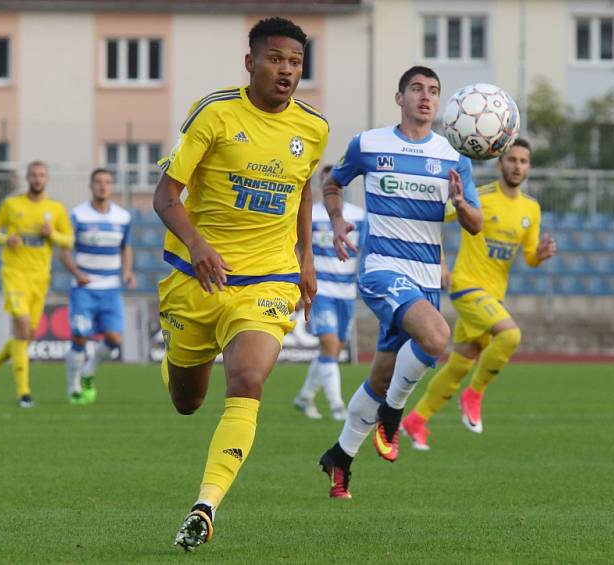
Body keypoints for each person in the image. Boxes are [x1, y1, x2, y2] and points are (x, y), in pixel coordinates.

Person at [153, 17, 328, 550]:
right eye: (276, 58)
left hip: (268, 281)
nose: (286, 70)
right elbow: (165, 197)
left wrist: (306, 258)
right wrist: (199, 245)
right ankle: (176, 357)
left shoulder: (313, 127)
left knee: (248, 378)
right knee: (187, 401)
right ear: (250, 62)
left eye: (295, 62)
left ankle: (205, 506)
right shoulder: (215, 113)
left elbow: (301, 194)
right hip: (197, 279)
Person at [317, 65, 483, 499]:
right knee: (437, 335)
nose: (425, 97)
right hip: (381, 269)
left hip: (426, 280)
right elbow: (332, 184)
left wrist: (461, 204)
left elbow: (476, 224)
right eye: (416, 89)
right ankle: (393, 415)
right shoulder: (370, 144)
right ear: (400, 98)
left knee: (380, 376)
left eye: (433, 91)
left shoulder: (454, 157)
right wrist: (336, 221)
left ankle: (340, 458)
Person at [400, 138, 556, 450]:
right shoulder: (479, 196)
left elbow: (528, 257)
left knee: (459, 365)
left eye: (523, 161)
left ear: (529, 167)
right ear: (500, 163)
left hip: (494, 296)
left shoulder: (531, 209)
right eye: (511, 160)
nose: (517, 166)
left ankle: (416, 420)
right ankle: (474, 394)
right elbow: (432, 220)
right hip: (467, 286)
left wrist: (539, 254)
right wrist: (440, 261)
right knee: (510, 336)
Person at [0, 161, 74, 408]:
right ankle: (24, 393)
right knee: (22, 326)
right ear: (27, 177)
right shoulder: (12, 205)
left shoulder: (55, 209)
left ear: (47, 178)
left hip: (40, 278)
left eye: (42, 175)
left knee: (27, 335)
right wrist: (4, 238)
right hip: (14, 274)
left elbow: (69, 240)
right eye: (33, 175)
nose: (37, 179)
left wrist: (51, 234)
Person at [293, 164, 366, 421]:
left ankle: (304, 397)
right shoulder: (309, 216)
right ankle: (337, 406)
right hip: (320, 290)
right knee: (329, 344)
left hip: (346, 292)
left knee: (332, 351)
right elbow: (298, 250)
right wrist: (298, 289)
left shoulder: (358, 217)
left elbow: (366, 252)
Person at [60, 168, 136, 405]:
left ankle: (89, 370)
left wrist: (127, 272)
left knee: (115, 340)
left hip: (111, 288)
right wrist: (76, 273)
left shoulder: (122, 217)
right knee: (80, 337)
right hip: (84, 288)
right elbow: (64, 249)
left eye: (107, 182)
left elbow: (126, 247)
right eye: (98, 182)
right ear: (91, 186)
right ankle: (73, 387)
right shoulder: (78, 215)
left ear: (112, 187)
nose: (103, 186)